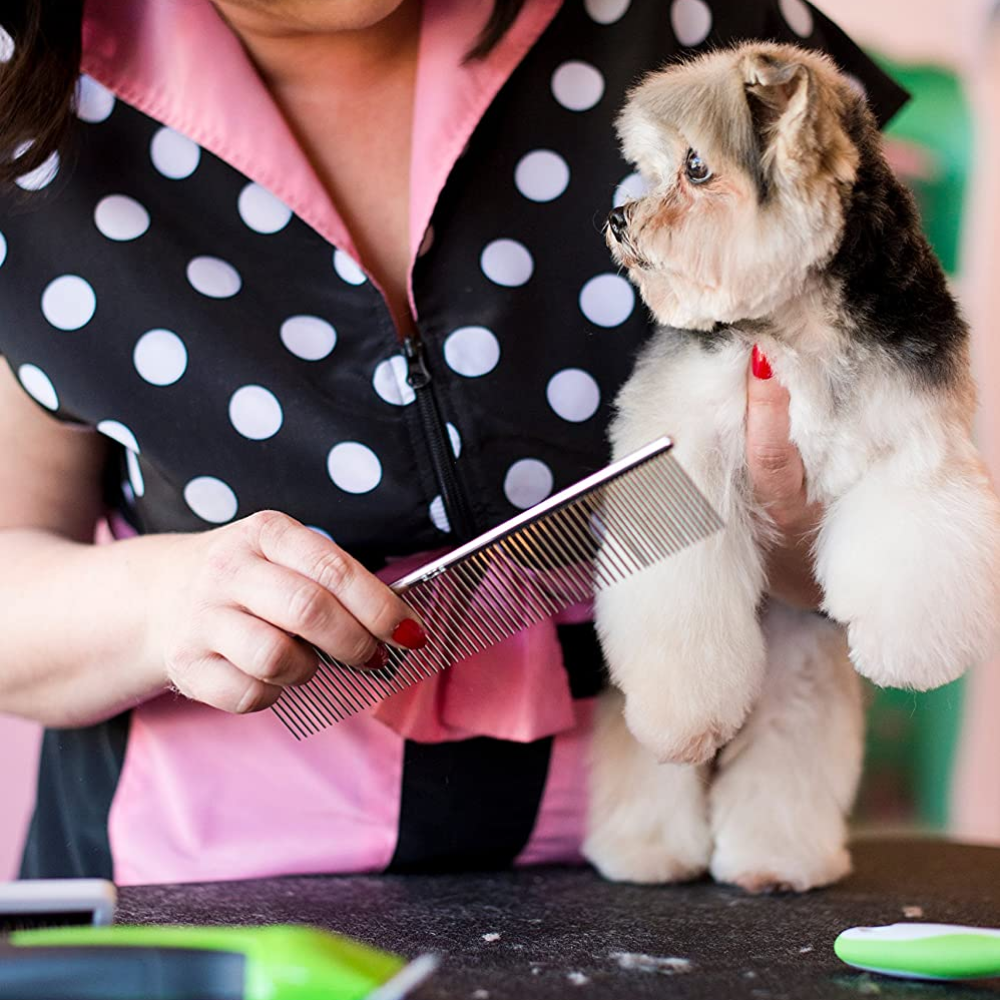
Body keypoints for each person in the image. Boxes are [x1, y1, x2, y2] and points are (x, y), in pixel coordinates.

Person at [0, 0, 906, 884]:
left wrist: (807, 536)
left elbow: (889, 486)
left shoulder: (719, 43)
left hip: (653, 857)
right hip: (196, 882)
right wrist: (165, 603)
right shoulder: (25, 96)